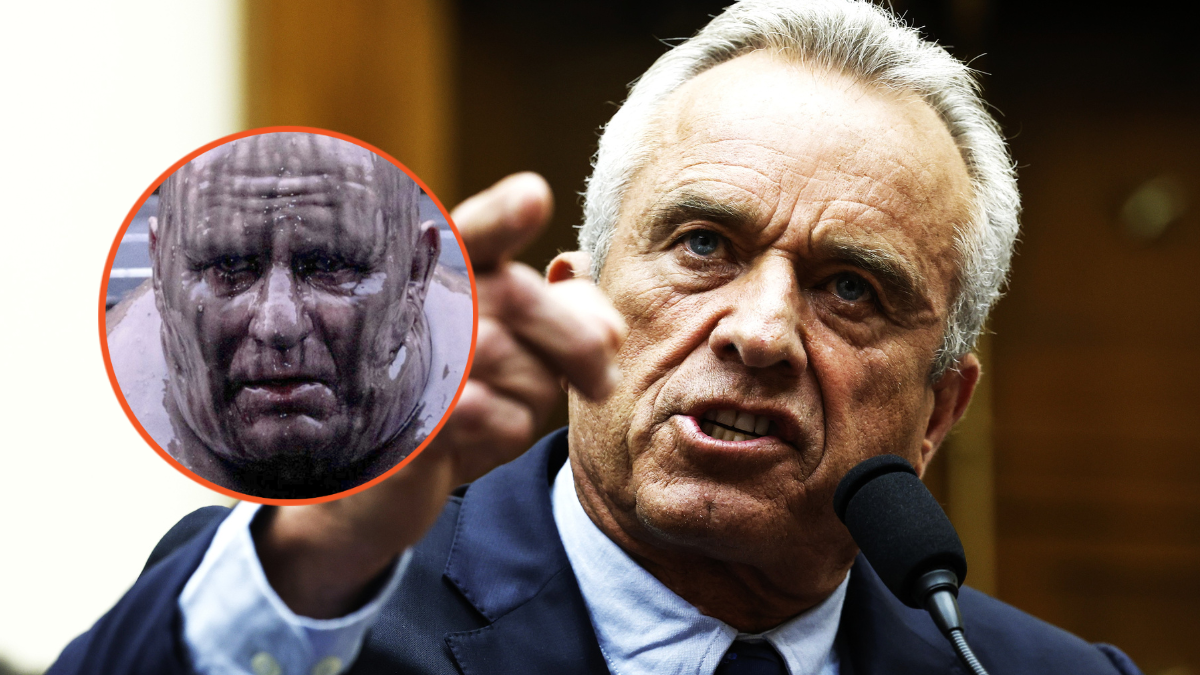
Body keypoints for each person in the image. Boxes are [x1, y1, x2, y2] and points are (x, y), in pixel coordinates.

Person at [56, 1, 1142, 673]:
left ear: (941, 409)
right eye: (705, 245)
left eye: (851, 289)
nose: (761, 332)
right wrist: (333, 545)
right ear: (579, 306)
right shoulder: (320, 605)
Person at [104, 131, 471, 499]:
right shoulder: (86, 429)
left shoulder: (505, 409)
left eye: (329, 264)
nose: (278, 325)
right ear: (158, 268)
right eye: (230, 267)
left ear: (416, 274)